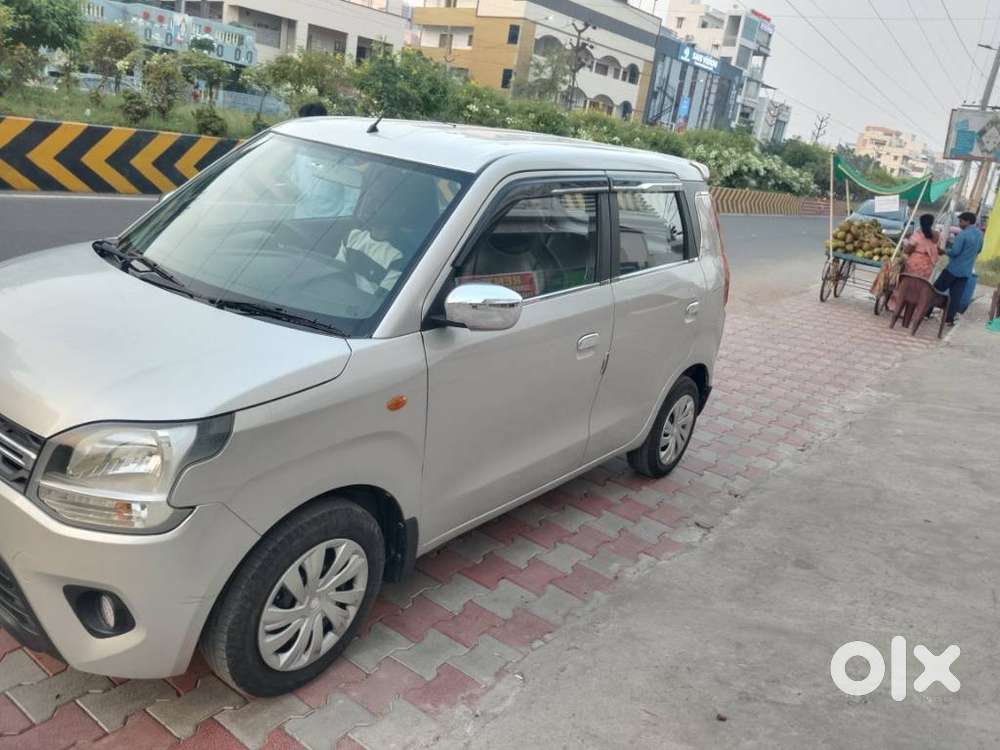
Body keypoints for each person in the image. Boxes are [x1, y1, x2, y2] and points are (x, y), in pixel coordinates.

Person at [934, 211, 984, 325]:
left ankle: (926, 313)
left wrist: (944, 251)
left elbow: (955, 252)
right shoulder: (980, 234)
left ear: (968, 221)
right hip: (966, 271)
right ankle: (949, 320)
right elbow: (979, 250)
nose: (959, 224)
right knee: (955, 297)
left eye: (961, 221)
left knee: (935, 291)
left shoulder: (963, 234)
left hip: (953, 269)